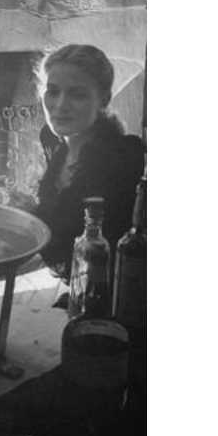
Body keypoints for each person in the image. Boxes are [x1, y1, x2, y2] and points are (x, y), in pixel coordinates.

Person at [15, 44, 145, 283]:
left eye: (77, 94)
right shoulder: (55, 145)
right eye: (53, 91)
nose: (60, 105)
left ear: (103, 99)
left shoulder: (123, 157)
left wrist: (33, 216)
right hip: (77, 286)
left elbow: (99, 248)